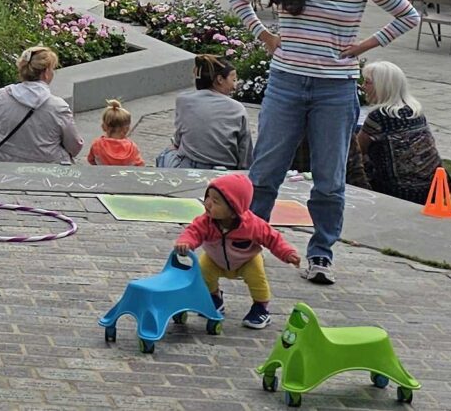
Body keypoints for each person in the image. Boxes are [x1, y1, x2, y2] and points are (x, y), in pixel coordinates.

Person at [225, 0, 421, 284]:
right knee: (265, 172)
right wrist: (264, 35)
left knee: (329, 178)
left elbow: (408, 15)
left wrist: (364, 46)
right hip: (285, 83)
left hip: (336, 88)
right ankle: (249, 242)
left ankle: (321, 253)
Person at [174, 173, 303, 329]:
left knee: (257, 278)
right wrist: (185, 243)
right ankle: (214, 298)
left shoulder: (253, 225)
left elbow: (273, 238)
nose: (208, 203)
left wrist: (287, 253)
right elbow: (193, 231)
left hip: (246, 260)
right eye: (208, 197)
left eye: (215, 201)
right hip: (214, 259)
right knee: (203, 272)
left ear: (234, 211)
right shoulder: (206, 221)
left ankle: (261, 307)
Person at [353, 59, 441, 204]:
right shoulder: (414, 110)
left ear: (381, 86)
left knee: (352, 156)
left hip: (401, 191)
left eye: (367, 82)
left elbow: (357, 150)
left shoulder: (379, 116)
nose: (362, 87)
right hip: (432, 186)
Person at [0, 46, 83, 164]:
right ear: (46, 73)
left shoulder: (2, 96)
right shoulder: (58, 107)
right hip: (46, 167)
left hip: (1, 160)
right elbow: (74, 146)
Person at [164, 54, 253, 169]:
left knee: (166, 153)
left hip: (190, 167)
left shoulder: (183, 100)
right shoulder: (237, 108)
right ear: (220, 79)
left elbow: (178, 139)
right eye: (233, 80)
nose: (235, 86)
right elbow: (245, 150)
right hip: (225, 171)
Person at [88, 99, 144, 166]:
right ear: (127, 129)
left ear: (104, 127)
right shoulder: (132, 147)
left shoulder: (97, 144)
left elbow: (91, 160)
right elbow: (140, 164)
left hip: (102, 175)